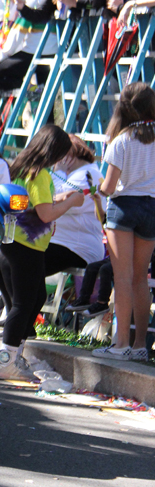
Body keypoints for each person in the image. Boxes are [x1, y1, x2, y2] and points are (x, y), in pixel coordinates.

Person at [0, 125, 85, 380]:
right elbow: (45, 214)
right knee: (24, 305)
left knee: (35, 299)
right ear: (53, 151)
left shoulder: (19, 168)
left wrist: (57, 199)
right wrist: (71, 202)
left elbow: (35, 205)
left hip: (11, 244)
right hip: (27, 248)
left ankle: (14, 356)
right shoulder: (41, 174)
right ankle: (6, 362)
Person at [91, 82, 155, 361]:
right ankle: (141, 345)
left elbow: (109, 186)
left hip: (123, 207)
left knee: (123, 278)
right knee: (142, 279)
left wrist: (96, 193)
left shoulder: (121, 141)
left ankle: (120, 345)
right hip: (152, 208)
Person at [45, 134, 106, 276]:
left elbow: (56, 197)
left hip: (77, 247)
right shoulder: (84, 173)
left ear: (67, 156)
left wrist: (58, 172)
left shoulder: (88, 175)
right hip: (65, 243)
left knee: (26, 262)